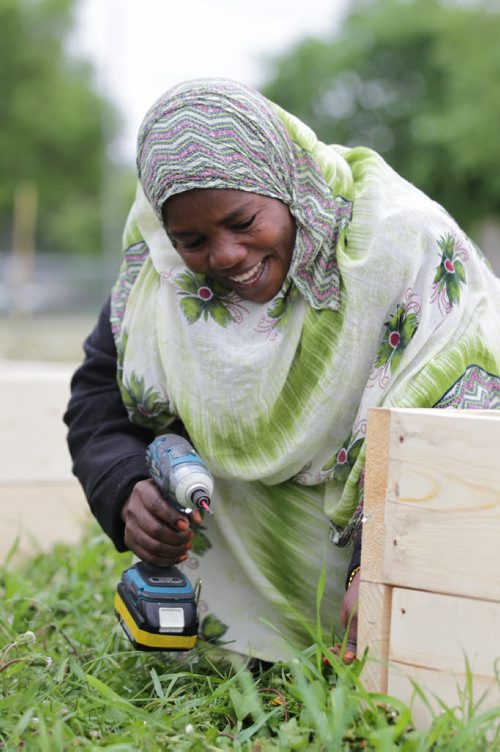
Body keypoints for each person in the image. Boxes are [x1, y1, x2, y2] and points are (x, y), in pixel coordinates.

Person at [64, 78, 500, 664]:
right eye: (192, 238)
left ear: (288, 185)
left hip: (404, 558)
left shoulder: (399, 246)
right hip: (240, 610)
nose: (224, 256)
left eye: (243, 222)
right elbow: (98, 396)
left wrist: (382, 563)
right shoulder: (158, 278)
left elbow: (465, 406)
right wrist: (123, 488)